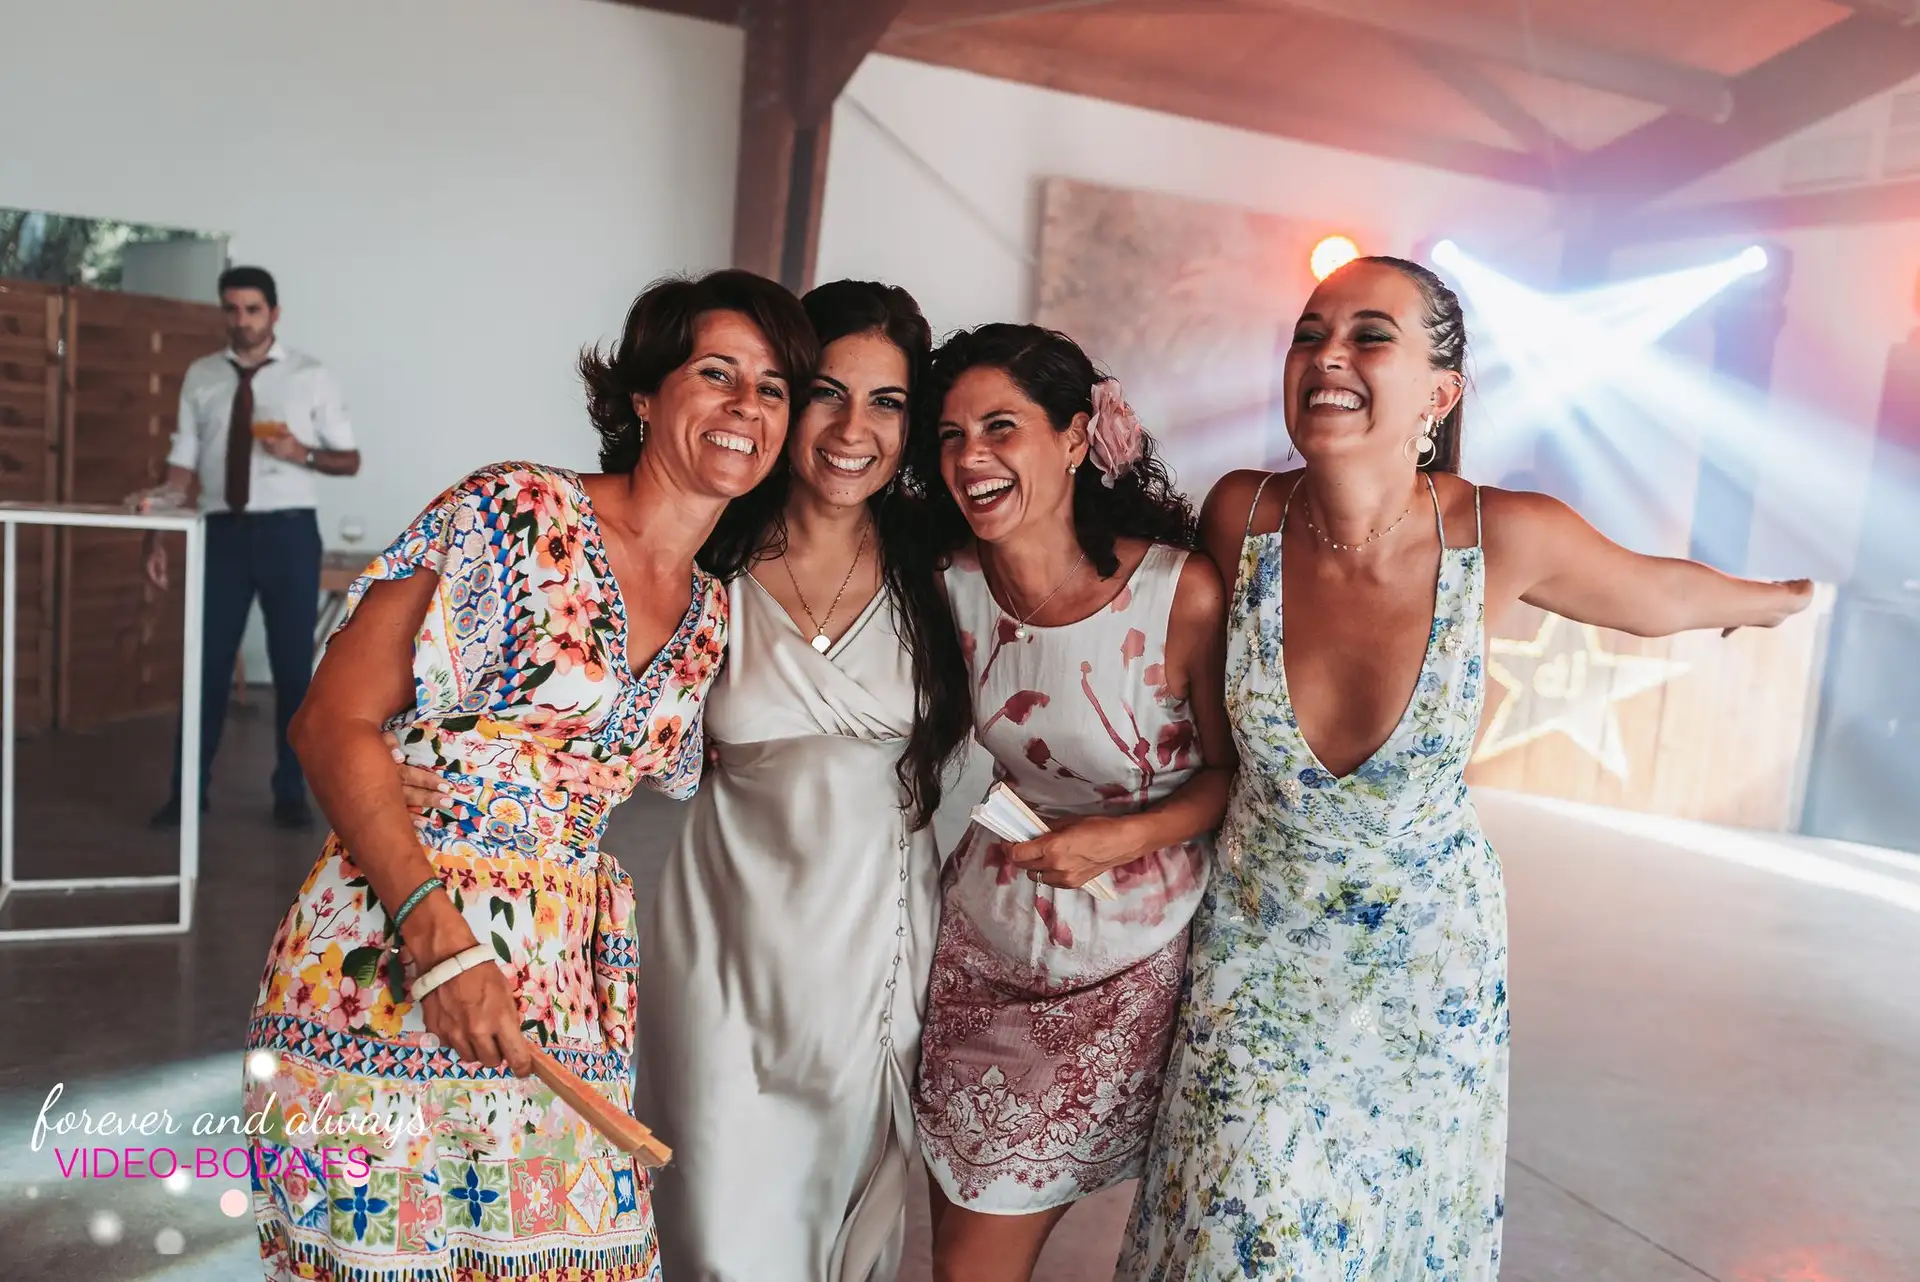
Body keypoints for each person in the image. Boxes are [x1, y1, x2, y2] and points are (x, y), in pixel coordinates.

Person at [1119, 256, 1814, 1281]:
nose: (1328, 356)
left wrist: (1776, 600)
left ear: (1440, 396)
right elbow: (1136, 597)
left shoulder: (1498, 535)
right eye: (1310, 334)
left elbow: (1657, 595)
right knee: (1242, 1239)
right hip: (1259, 957)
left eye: (1369, 336)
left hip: (1429, 974)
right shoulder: (1243, 515)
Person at [243, 270, 813, 1281]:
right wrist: (441, 947)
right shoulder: (513, 509)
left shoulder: (711, 613)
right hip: (392, 956)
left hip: (561, 992)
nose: (745, 407)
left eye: (772, 389)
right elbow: (328, 721)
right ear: (644, 395)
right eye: (717, 374)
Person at [909, 325, 1234, 1282]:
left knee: (972, 1265)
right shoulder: (951, 585)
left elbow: (1228, 776)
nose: (971, 456)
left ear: (1076, 438)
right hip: (980, 943)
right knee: (956, 1240)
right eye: (951, 435)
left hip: (1119, 959)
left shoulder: (1177, 593)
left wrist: (1119, 840)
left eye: (1000, 427)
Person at [140, 265, 361, 830]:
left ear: (274, 313)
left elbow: (349, 459)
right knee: (206, 665)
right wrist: (156, 526)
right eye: (232, 309)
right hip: (221, 533)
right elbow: (181, 467)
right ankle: (186, 794)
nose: (241, 320)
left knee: (292, 668)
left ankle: (290, 793)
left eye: (252, 310)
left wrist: (300, 452)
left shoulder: (310, 376)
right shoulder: (201, 376)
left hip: (289, 533)